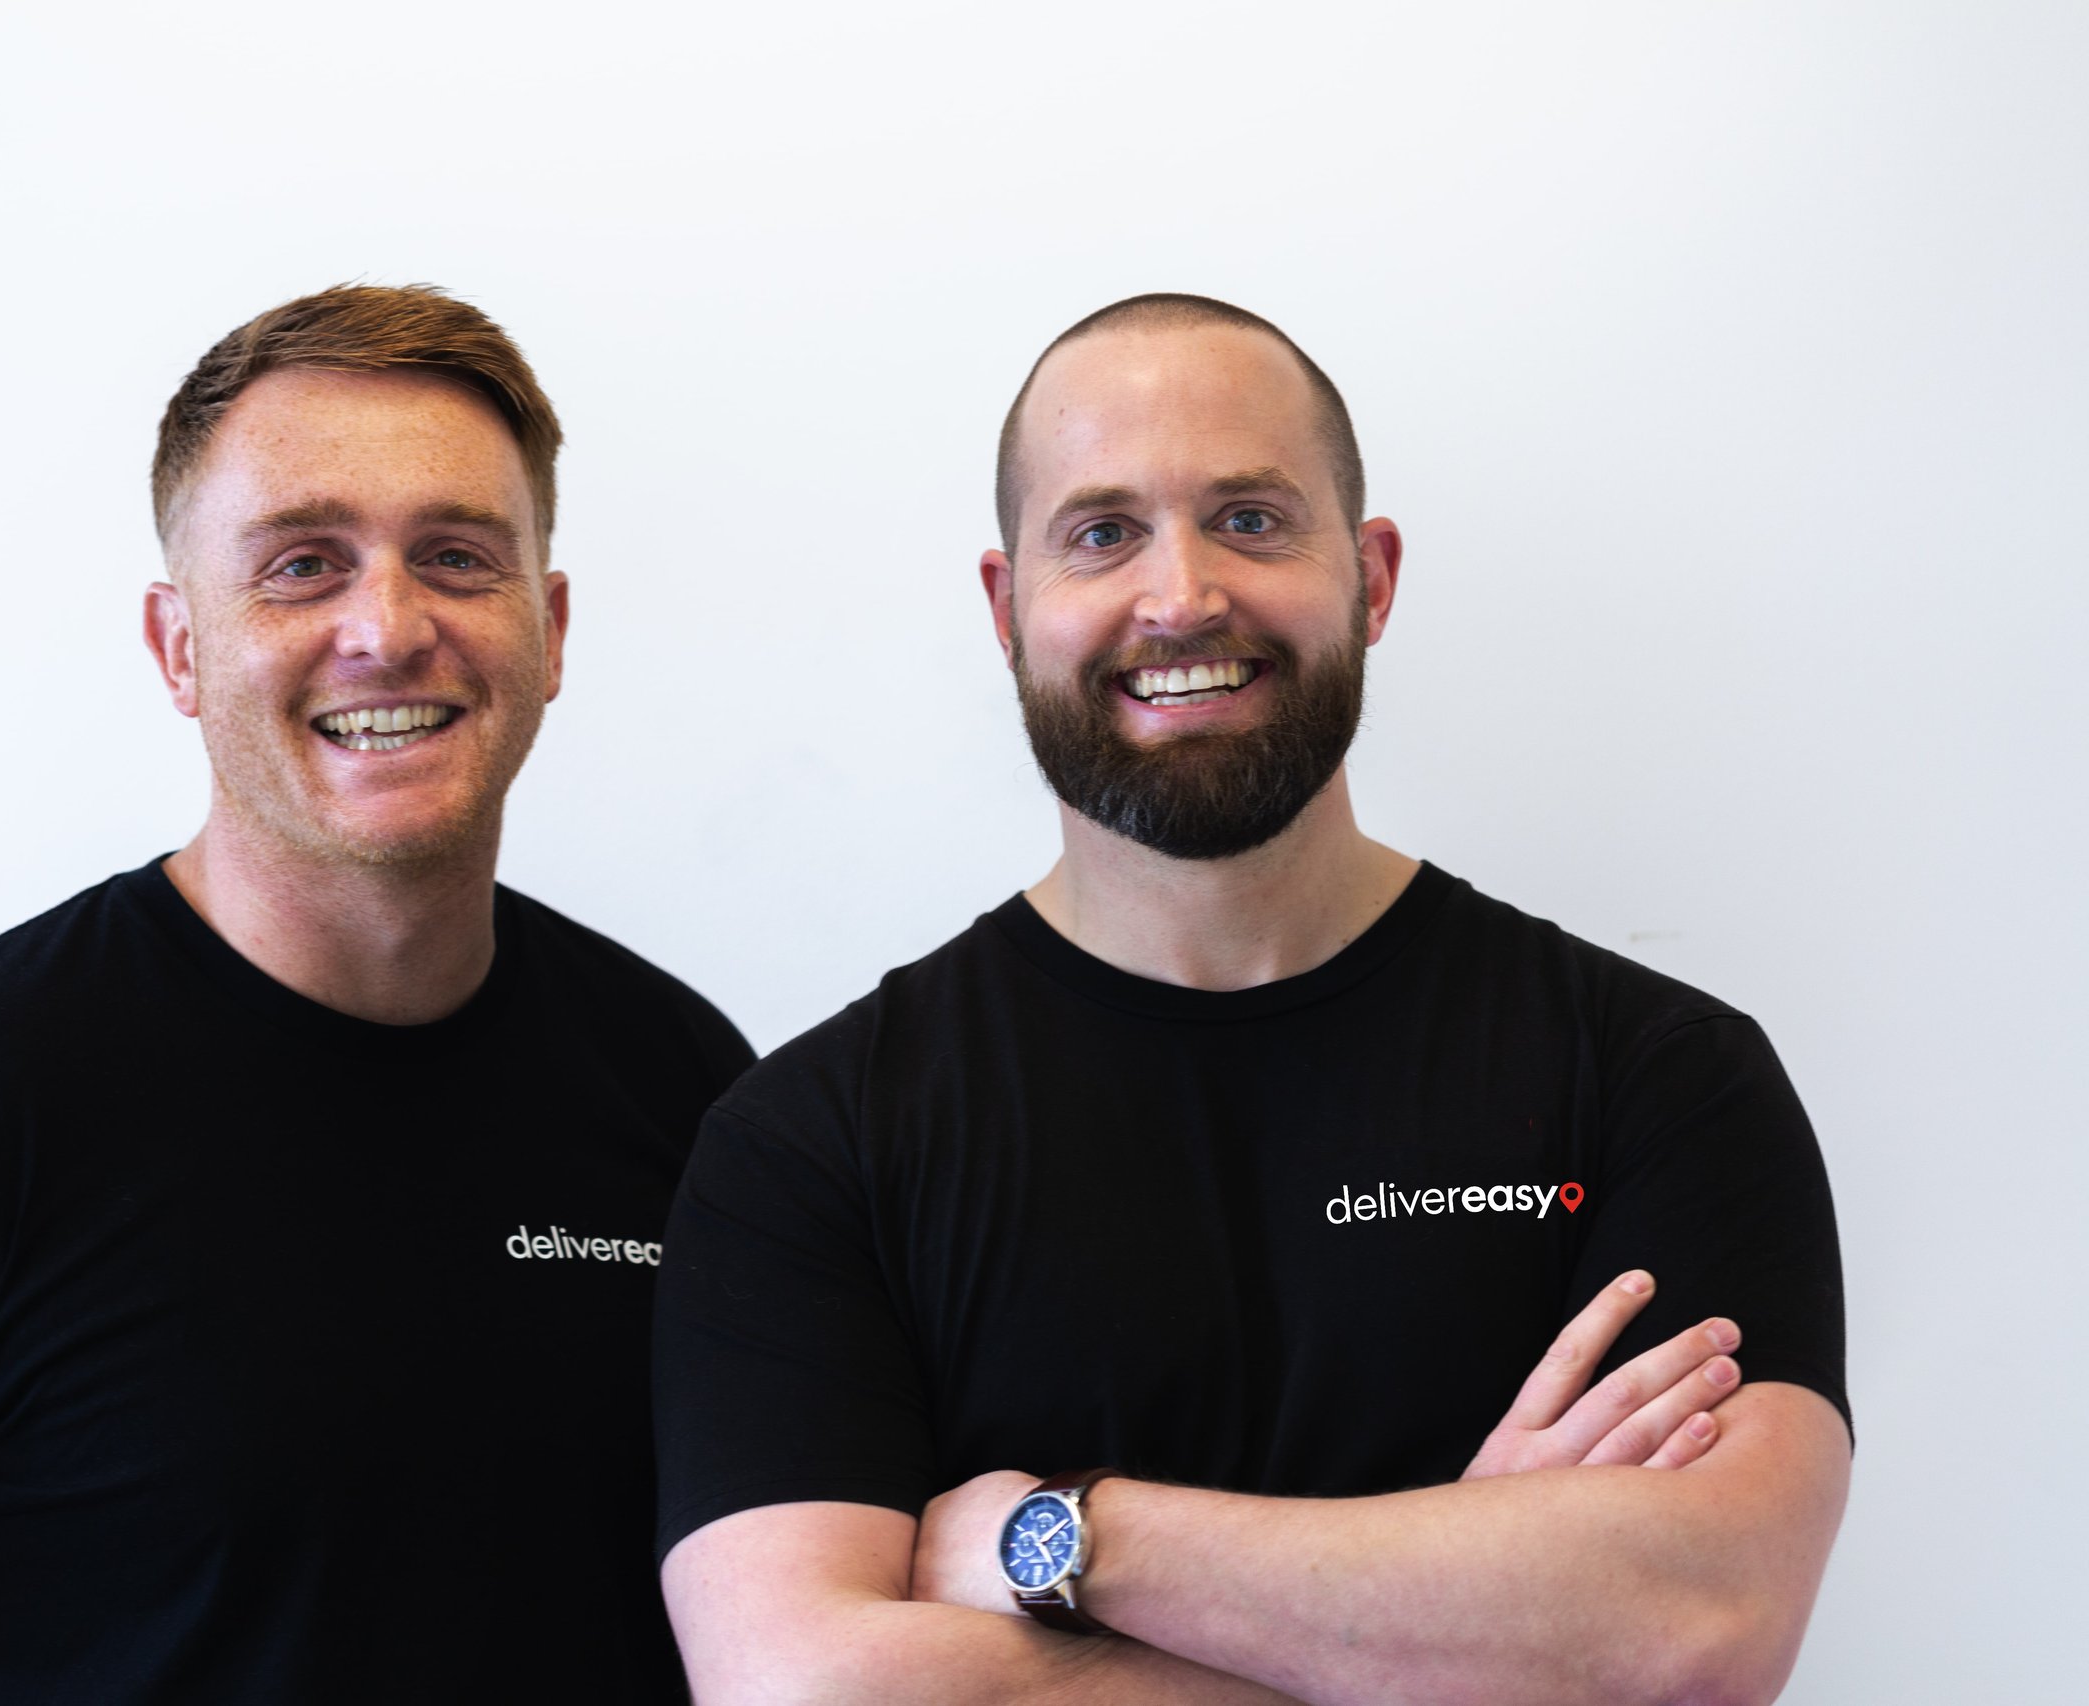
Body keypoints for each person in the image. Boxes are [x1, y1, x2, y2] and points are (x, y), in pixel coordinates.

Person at [653, 293, 1852, 1705]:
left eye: (1250, 519)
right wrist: (1475, 1630)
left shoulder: (1659, 1076)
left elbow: (1699, 1632)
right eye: (1103, 533)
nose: (1181, 598)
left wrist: (1066, 1541)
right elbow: (803, 1688)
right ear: (1006, 608)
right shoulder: (812, 1143)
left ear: (1373, 577)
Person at [0, 285, 752, 1703]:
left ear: (549, 628)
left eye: (456, 557)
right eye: (303, 566)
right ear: (180, 646)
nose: (388, 627)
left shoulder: (686, 1084)